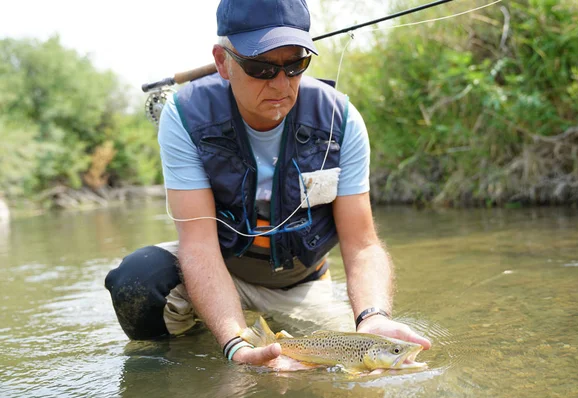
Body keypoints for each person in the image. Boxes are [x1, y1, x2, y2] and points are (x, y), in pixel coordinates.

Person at [105, 0, 431, 368]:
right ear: (222, 62)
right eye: (262, 67)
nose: (281, 84)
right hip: (220, 270)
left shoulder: (342, 121)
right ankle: (184, 355)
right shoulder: (184, 116)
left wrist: (373, 317)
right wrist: (233, 345)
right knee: (137, 280)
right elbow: (198, 247)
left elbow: (362, 245)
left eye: (295, 65)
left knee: (358, 366)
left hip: (301, 285)